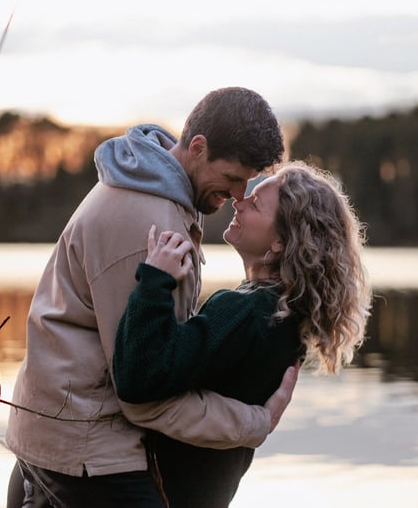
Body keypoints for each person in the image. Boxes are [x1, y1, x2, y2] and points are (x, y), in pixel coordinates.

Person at [5, 87, 295, 507]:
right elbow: (144, 392)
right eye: (232, 178)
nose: (236, 195)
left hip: (65, 435)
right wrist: (256, 421)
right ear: (198, 147)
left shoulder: (158, 194)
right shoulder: (150, 227)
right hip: (87, 450)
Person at [112, 160, 372, 507]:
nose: (239, 201)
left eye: (255, 203)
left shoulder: (245, 312)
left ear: (279, 241)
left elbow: (137, 378)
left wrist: (155, 280)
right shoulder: (285, 317)